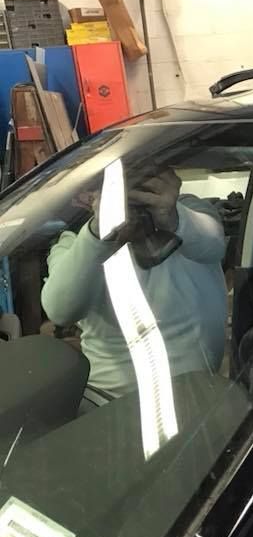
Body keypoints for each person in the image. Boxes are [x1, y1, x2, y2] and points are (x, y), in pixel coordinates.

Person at [42, 167, 227, 398]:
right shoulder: (71, 243)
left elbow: (213, 243)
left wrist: (172, 216)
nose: (129, 194)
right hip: (113, 401)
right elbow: (61, 309)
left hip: (199, 390)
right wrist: (100, 230)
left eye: (138, 179)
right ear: (83, 199)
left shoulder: (188, 210)